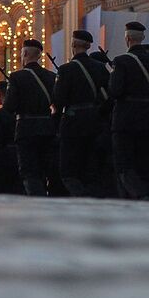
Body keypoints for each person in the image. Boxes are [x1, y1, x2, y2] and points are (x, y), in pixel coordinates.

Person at [108, 21, 149, 200]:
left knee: (125, 163)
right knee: (144, 162)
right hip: (148, 117)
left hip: (125, 120)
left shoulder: (121, 61)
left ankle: (141, 195)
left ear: (127, 39)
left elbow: (115, 91)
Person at [52, 30, 111, 197]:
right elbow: (110, 94)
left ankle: (82, 198)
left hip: (73, 124)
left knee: (69, 171)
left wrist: (56, 123)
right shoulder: (100, 67)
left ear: (73, 45)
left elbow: (58, 99)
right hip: (95, 122)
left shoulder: (65, 70)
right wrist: (99, 113)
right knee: (90, 168)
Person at [3, 39, 58, 196]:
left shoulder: (16, 77)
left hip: (26, 129)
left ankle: (37, 199)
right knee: (44, 167)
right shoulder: (51, 76)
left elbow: (9, 106)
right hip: (47, 128)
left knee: (29, 170)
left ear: (25, 53)